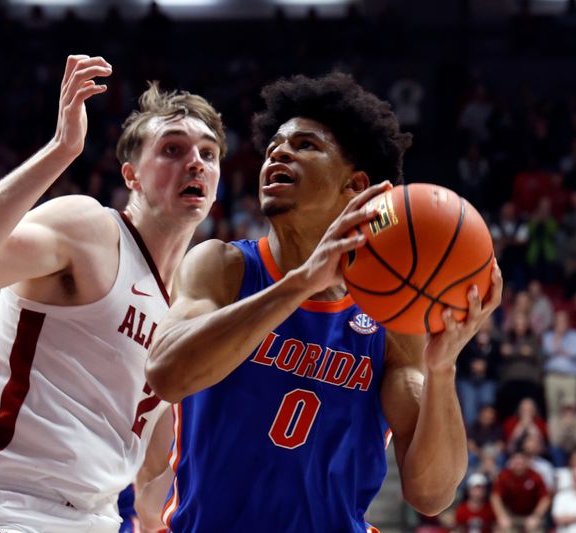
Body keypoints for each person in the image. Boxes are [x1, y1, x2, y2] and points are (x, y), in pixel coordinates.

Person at [144, 72, 503, 531]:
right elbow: (166, 373)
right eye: (274, 145)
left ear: (354, 186)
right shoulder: (223, 267)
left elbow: (431, 494)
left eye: (306, 145)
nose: (280, 152)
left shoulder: (389, 319)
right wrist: (299, 285)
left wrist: (442, 368)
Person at [0, 54, 225, 533]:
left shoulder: (186, 305)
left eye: (208, 153)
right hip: (0, 508)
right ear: (131, 176)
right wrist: (61, 150)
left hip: (93, 521)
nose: (195, 163)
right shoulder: (91, 231)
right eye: (172, 149)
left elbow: (152, 476)